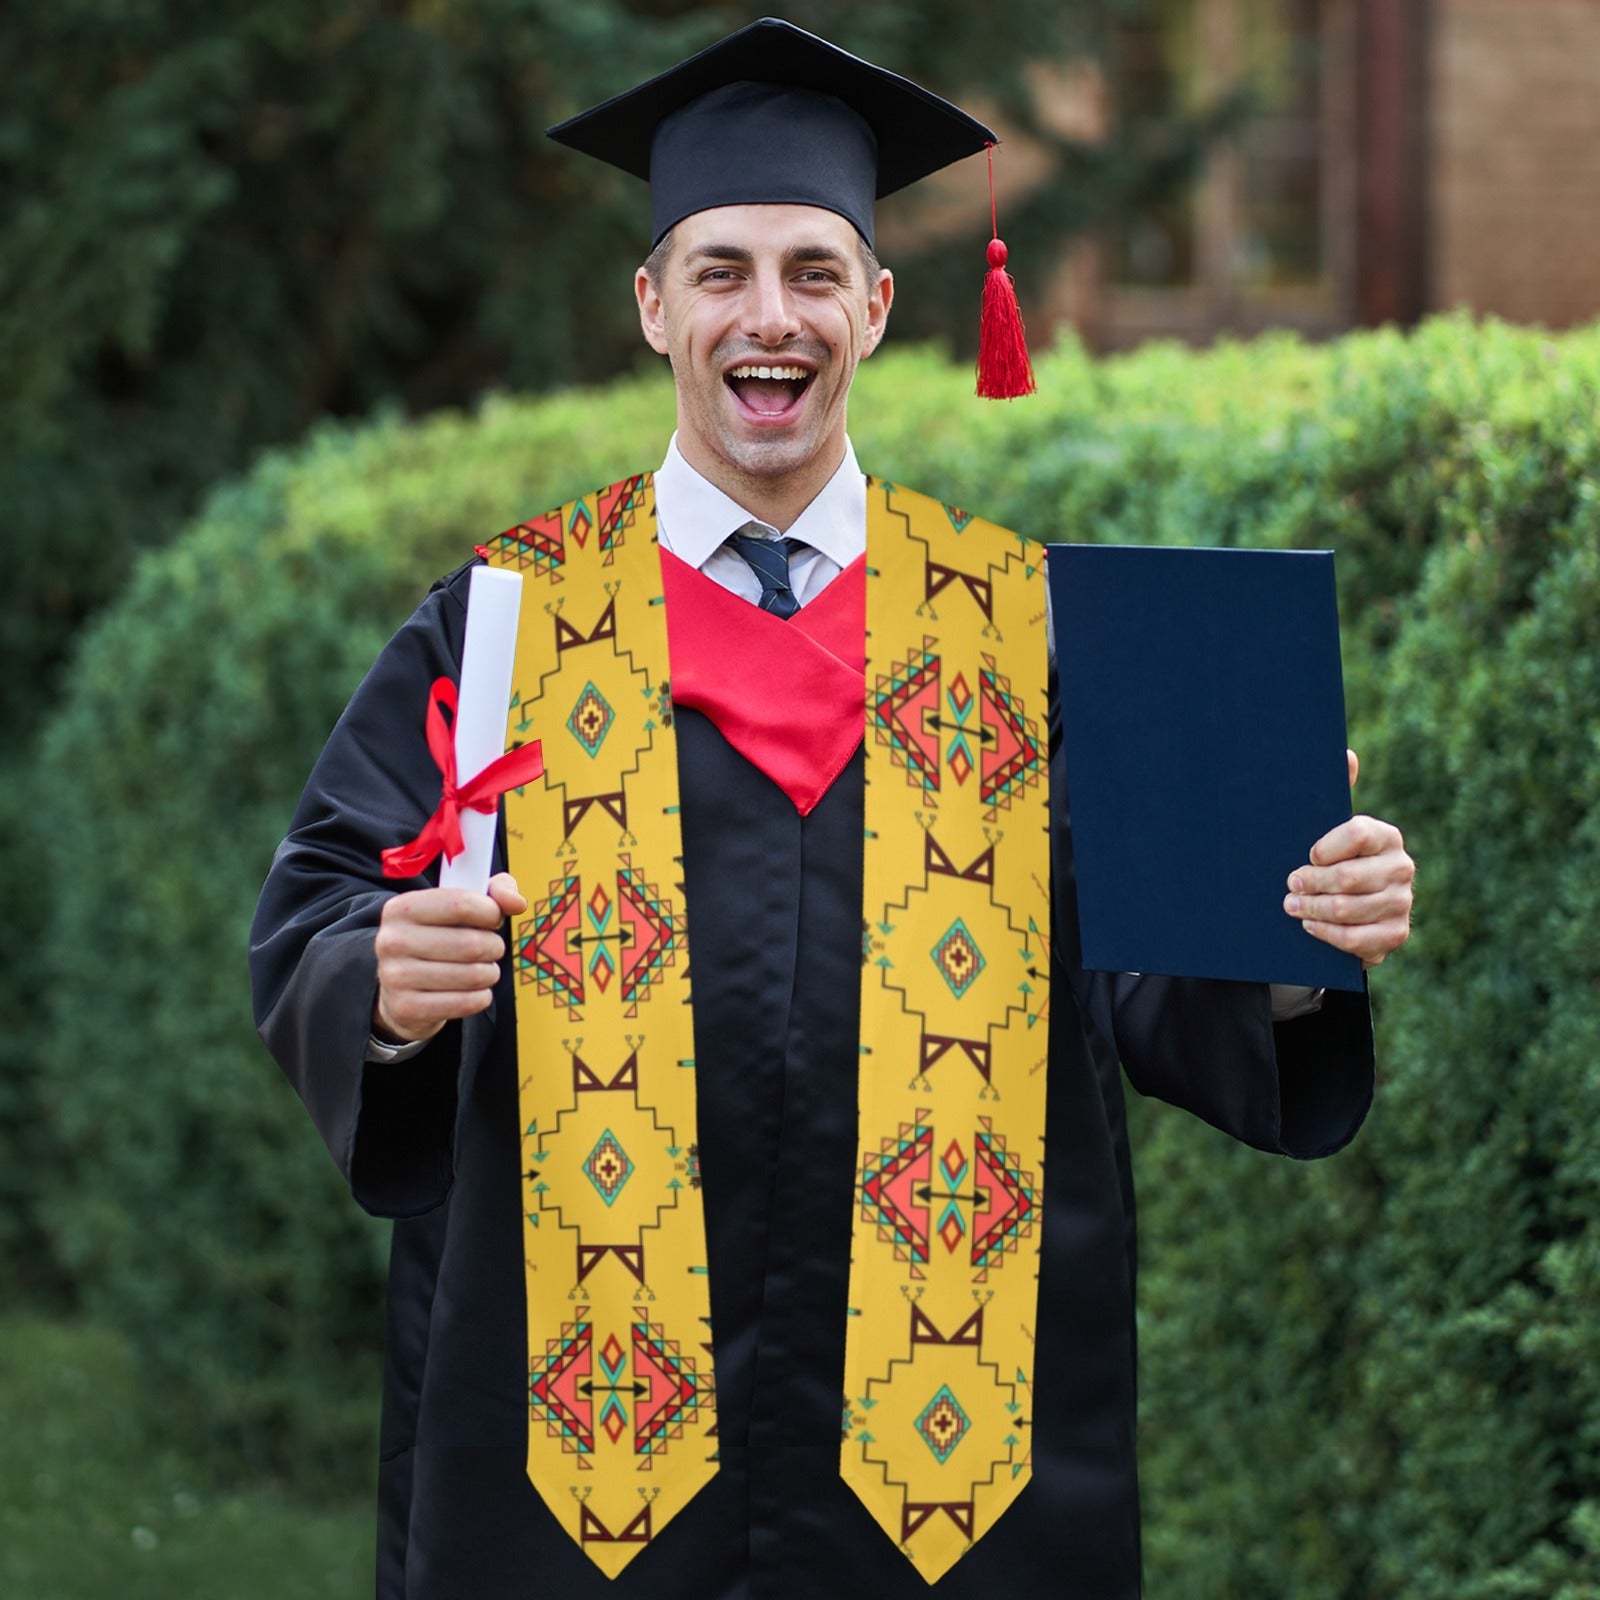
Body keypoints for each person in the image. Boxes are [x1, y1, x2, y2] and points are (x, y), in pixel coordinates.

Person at [249, 19, 1414, 1600]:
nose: (768, 316)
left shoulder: (1034, 630)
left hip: (957, 1465)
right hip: (579, 1459)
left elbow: (1151, 980)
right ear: (654, 305)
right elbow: (324, 902)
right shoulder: (510, 623)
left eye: (812, 270)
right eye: (721, 270)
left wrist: (1293, 936)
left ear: (876, 305)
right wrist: (380, 984)